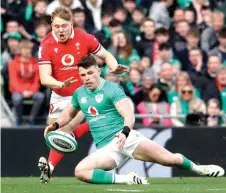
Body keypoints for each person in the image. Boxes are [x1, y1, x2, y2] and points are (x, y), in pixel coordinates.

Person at [45, 56, 224, 185]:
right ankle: (127, 179)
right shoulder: (79, 94)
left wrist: (124, 133)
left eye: (90, 73)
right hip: (106, 148)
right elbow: (68, 114)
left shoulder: (112, 89)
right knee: (80, 172)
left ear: (99, 71)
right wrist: (54, 125)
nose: (86, 78)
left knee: (170, 160)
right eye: (82, 75)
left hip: (126, 138)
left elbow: (128, 115)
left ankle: (200, 169)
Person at [38, 6, 128, 184]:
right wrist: (59, 84)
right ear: (51, 25)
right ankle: (50, 167)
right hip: (59, 93)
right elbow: (44, 77)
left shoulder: (84, 38)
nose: (60, 30)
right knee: (54, 135)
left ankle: (51, 165)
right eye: (56, 26)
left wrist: (113, 65)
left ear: (71, 24)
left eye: (64, 26)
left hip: (82, 94)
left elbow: (105, 54)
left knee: (65, 128)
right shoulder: (46, 44)